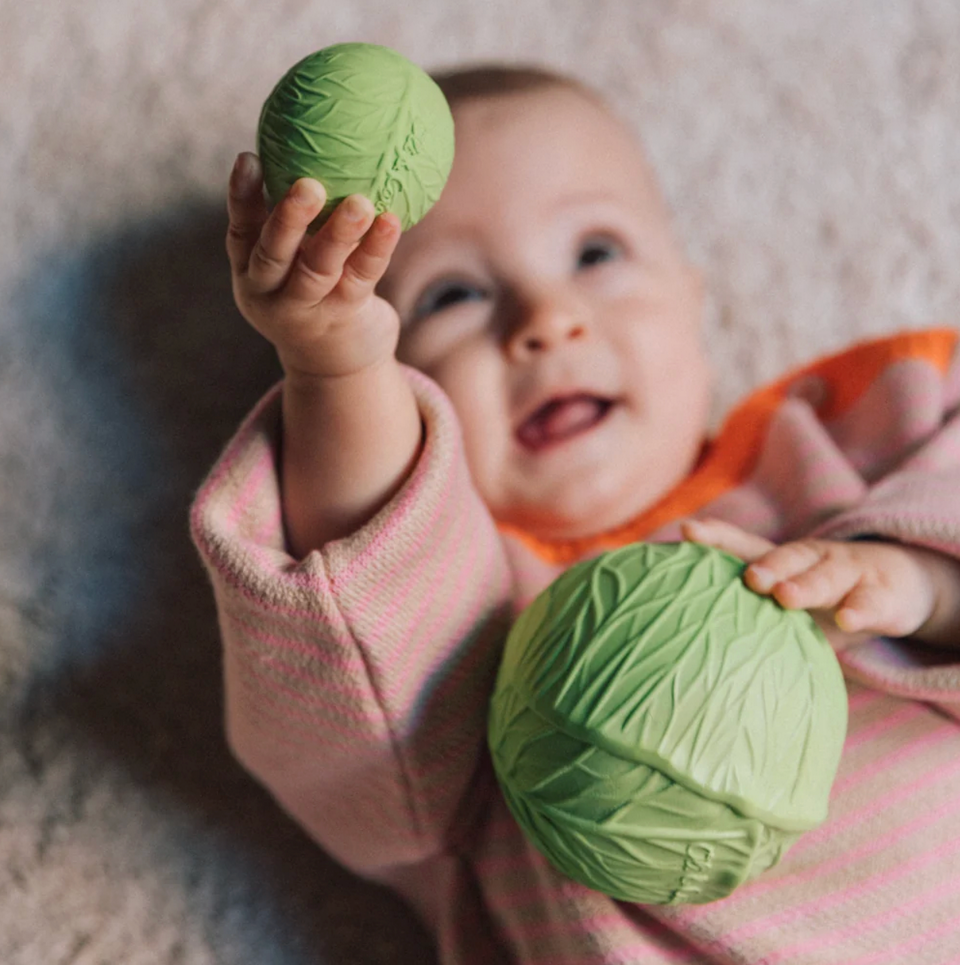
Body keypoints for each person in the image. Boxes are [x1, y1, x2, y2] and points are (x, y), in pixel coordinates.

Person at [190, 65, 960, 963]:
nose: (546, 318)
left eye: (595, 253)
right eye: (452, 296)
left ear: (691, 294)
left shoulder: (847, 450)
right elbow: (351, 652)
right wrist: (336, 370)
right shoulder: (463, 628)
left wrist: (920, 582)